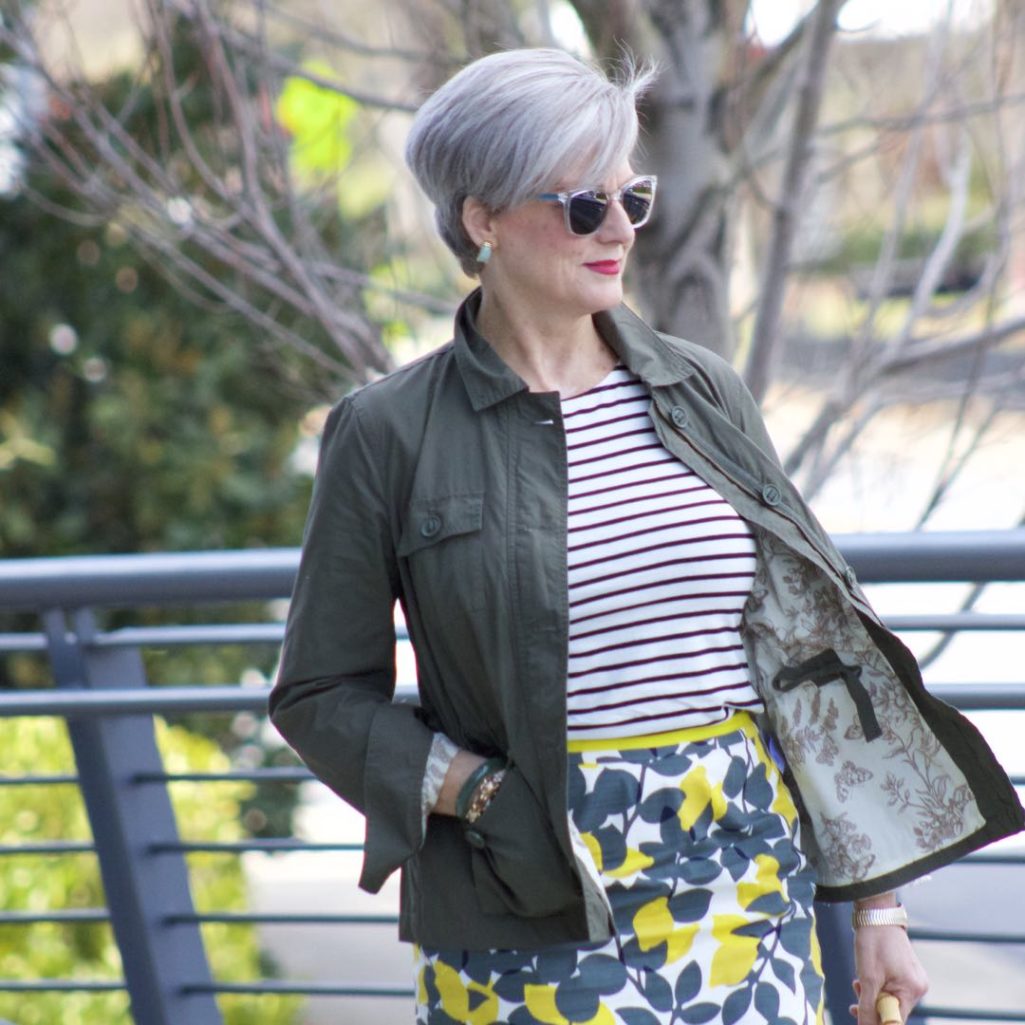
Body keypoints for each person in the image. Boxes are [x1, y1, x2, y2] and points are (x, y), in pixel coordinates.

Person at [269, 48, 1023, 1025]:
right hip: (526, 890)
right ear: (480, 218)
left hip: (739, 877)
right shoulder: (388, 431)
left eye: (633, 198)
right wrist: (480, 794)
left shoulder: (698, 390)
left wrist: (881, 905)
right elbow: (319, 692)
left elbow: (807, 650)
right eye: (583, 205)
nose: (617, 228)